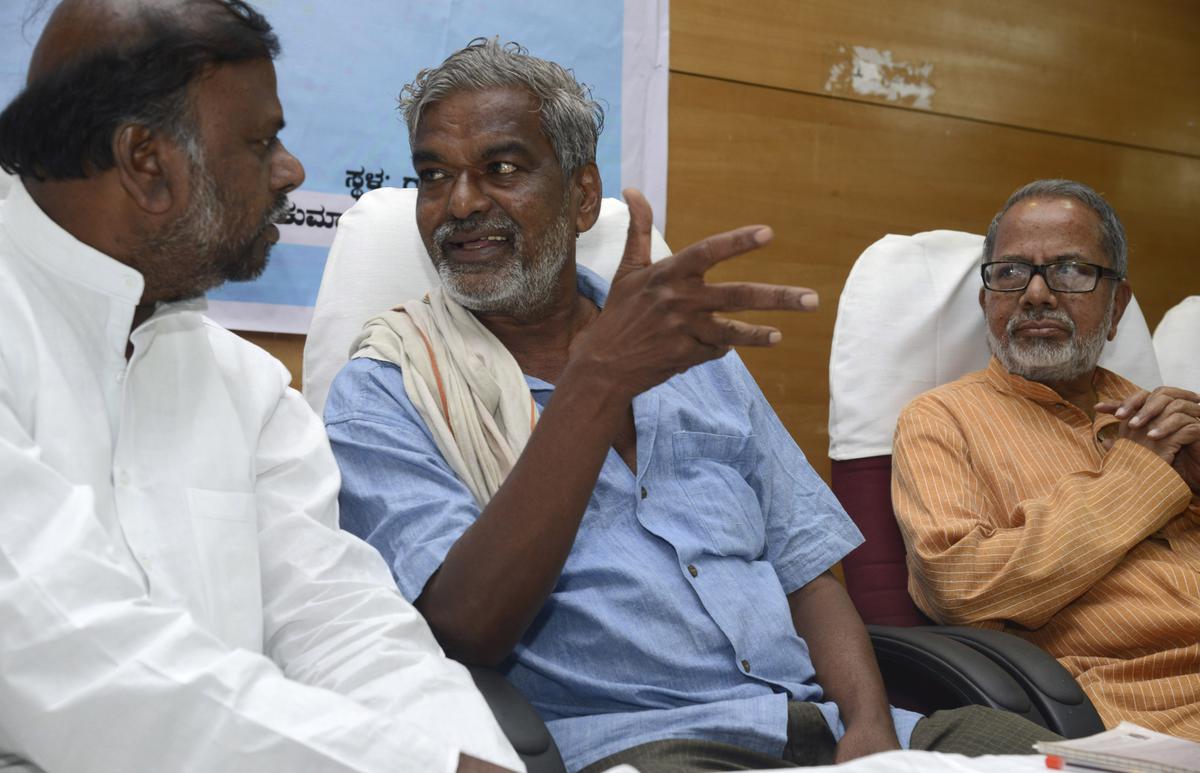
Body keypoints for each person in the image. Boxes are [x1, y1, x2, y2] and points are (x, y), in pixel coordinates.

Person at [325, 39, 1058, 773]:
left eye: (502, 169)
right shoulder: (387, 389)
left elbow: (807, 568)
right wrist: (599, 382)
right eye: (433, 176)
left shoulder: (693, 353)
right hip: (647, 746)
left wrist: (868, 727)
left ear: (582, 197)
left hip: (830, 729)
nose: (460, 204)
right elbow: (463, 627)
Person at [0, 2, 522, 771]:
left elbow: (344, 626)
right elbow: (60, 649)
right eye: (260, 141)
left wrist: (468, 755)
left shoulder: (247, 387)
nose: (290, 170)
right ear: (147, 162)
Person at [892, 179, 1200, 740]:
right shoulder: (941, 419)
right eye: (1010, 272)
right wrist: (1143, 479)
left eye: (1071, 271)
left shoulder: (1163, 418)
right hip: (1139, 709)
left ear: (1116, 307)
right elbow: (960, 589)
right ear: (987, 300)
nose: (1036, 294)